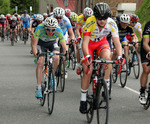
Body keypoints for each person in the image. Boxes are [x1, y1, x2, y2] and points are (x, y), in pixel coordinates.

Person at [79, 2, 122, 114]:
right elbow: (85, 43)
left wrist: (121, 56)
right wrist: (87, 56)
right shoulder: (90, 22)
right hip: (89, 44)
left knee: (108, 59)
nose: (102, 21)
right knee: (88, 71)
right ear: (95, 17)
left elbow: (117, 43)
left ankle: (105, 85)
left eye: (104, 18)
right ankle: (83, 99)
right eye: (99, 18)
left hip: (101, 43)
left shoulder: (112, 23)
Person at [32, 17, 67, 98]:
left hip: (52, 43)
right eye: (48, 29)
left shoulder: (58, 30)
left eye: (53, 30)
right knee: (40, 62)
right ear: (45, 28)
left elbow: (64, 46)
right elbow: (34, 45)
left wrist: (65, 56)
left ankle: (52, 75)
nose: (50, 32)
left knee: (56, 57)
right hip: (41, 43)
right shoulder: (39, 28)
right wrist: (36, 54)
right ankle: (39, 87)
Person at [53, 7, 76, 78]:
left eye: (60, 17)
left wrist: (72, 39)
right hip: (54, 33)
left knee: (65, 50)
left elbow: (71, 33)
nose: (58, 19)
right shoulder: (51, 19)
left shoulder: (66, 20)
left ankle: (64, 69)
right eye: (57, 17)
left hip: (63, 34)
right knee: (55, 45)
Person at [76, 7, 93, 75]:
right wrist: (79, 36)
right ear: (84, 15)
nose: (88, 18)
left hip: (89, 33)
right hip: (81, 32)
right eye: (86, 16)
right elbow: (77, 29)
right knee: (79, 47)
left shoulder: (93, 19)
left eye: (89, 16)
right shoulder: (80, 18)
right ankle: (78, 64)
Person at [139, 21, 150, 105]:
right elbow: (145, 43)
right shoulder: (149, 24)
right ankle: (142, 91)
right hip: (147, 48)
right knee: (146, 69)